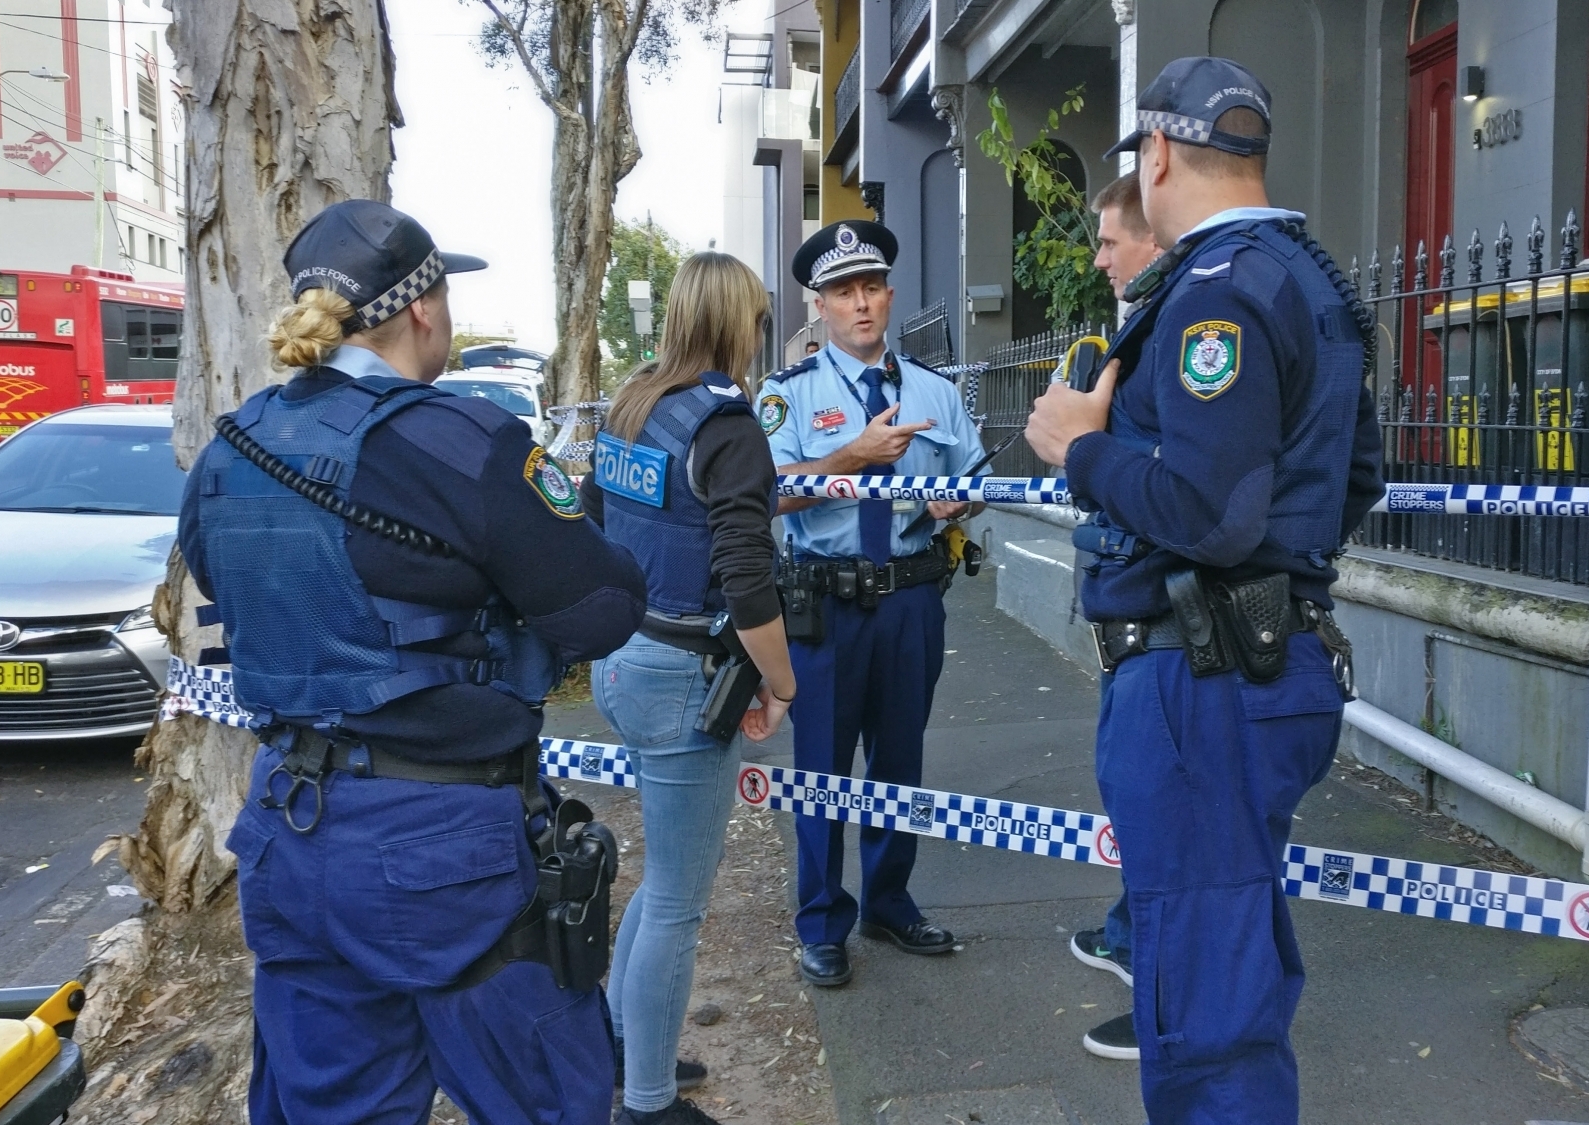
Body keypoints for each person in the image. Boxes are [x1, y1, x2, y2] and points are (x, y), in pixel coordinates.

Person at [180, 200, 648, 1125]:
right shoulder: (466, 441)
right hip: (443, 852)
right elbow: (604, 608)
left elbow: (224, 583)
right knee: (547, 1099)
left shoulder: (231, 445)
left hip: (288, 830)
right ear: (425, 308)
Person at [1024, 59, 1382, 1124]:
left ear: (1160, 154)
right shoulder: (1303, 276)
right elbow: (1354, 478)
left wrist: (1079, 452)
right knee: (1227, 977)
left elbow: (1210, 513)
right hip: (1258, 668)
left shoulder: (1217, 289)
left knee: (1205, 1013)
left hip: (1201, 684)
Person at [576, 252, 795, 1125]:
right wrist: (781, 683)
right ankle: (649, 1104)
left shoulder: (634, 403)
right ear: (738, 322)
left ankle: (627, 1048)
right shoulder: (726, 423)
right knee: (676, 897)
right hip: (682, 673)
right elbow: (746, 577)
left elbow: (596, 520)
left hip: (623, 658)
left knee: (657, 881)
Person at [764, 220, 987, 988]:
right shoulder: (785, 395)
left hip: (909, 601)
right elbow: (766, 495)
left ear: (888, 295)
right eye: (841, 292)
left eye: (869, 288)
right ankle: (821, 920)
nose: (859, 305)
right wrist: (848, 458)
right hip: (825, 607)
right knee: (822, 765)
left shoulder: (934, 390)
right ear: (818, 306)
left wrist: (958, 503)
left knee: (899, 763)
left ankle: (888, 901)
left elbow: (974, 475)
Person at [1068, 168, 1165, 1065]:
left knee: (1175, 845)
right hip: (1137, 631)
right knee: (1139, 813)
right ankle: (1135, 945)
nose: (1097, 258)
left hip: (1174, 638)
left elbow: (1169, 497)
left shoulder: (1178, 334)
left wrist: (1078, 445)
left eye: (1108, 239)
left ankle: (1162, 1005)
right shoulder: (1135, 333)